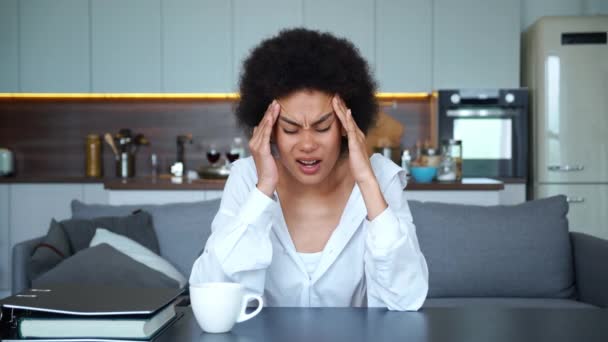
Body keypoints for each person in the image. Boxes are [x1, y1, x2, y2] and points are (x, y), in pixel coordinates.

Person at [190, 28, 428, 311]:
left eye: (323, 127)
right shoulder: (248, 176)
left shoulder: (380, 177)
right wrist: (264, 188)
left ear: (344, 125)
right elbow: (211, 291)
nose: (307, 144)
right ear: (270, 131)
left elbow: (407, 300)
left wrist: (366, 179)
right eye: (290, 129)